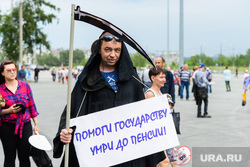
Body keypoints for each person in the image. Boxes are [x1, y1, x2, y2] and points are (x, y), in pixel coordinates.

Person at [53, 31, 165, 166]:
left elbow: (141, 113)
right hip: (98, 152)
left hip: (126, 152)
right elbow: (72, 111)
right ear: (99, 50)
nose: (113, 54)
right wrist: (64, 132)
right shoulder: (88, 79)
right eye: (108, 49)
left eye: (117, 50)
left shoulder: (131, 76)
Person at [0, 60, 39, 167]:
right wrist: (8, 111)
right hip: (6, 127)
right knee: (9, 158)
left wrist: (35, 124)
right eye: (9, 70)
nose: (12, 72)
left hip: (25, 126)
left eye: (14, 70)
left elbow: (32, 105)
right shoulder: (0, 90)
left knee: (25, 157)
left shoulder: (25, 86)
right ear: (2, 73)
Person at [145, 66, 178, 167]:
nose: (164, 80)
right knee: (164, 162)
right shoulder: (150, 94)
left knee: (174, 162)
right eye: (161, 77)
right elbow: (149, 116)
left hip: (166, 131)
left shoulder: (160, 93)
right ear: (153, 78)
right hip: (157, 133)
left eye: (164, 77)